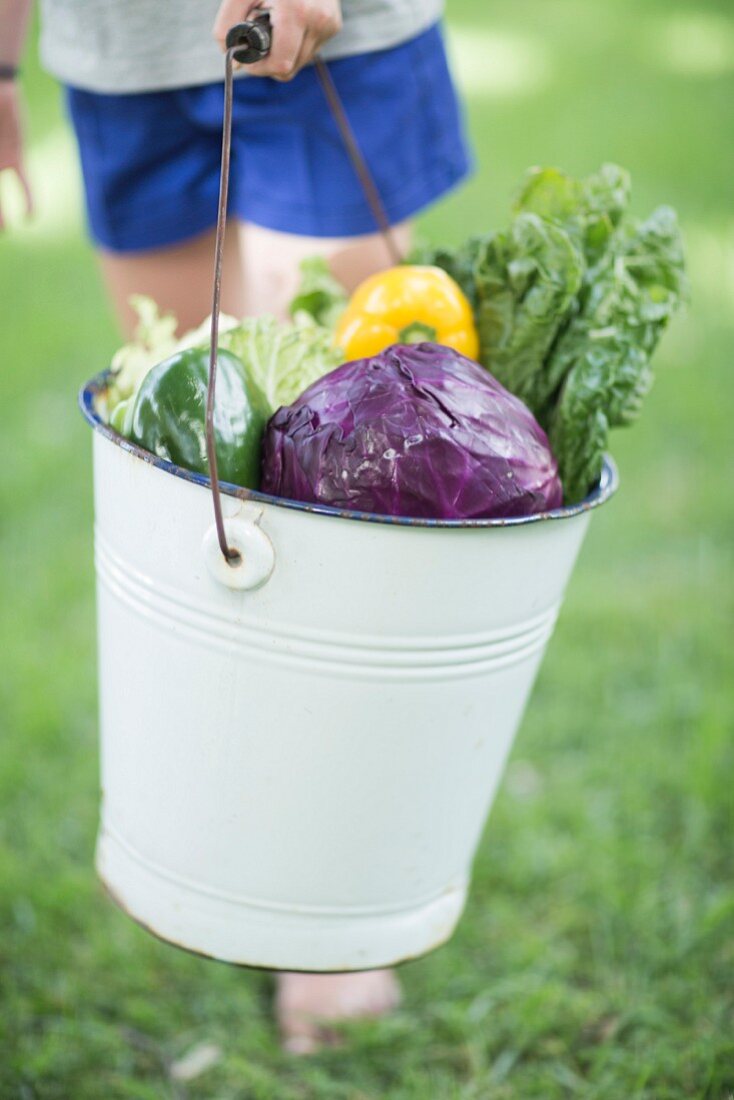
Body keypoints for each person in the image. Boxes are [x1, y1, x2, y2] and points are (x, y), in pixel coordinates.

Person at [0, 0, 471, 1053]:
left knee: (351, 485)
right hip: (117, 50)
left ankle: (335, 901)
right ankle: (249, 841)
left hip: (310, 26)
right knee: (205, 467)